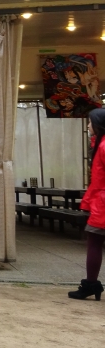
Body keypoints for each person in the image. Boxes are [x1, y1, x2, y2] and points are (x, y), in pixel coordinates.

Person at [69, 108, 105, 301]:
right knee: (94, 242)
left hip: (102, 203)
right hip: (100, 201)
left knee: (94, 242)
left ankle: (91, 284)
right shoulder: (99, 144)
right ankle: (91, 284)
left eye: (91, 122)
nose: (89, 125)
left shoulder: (103, 146)